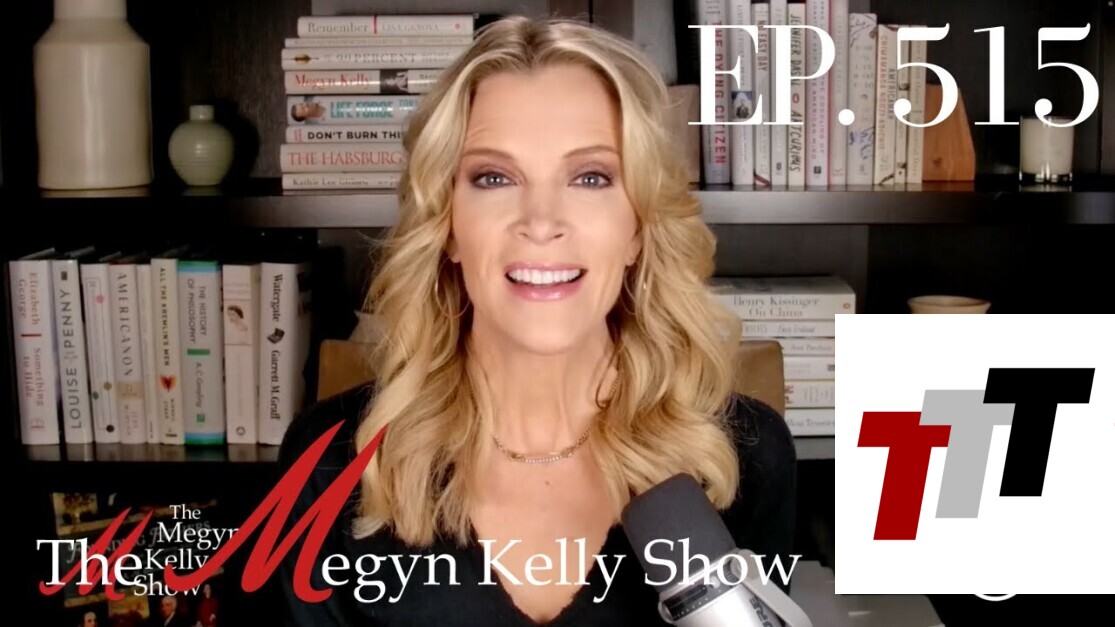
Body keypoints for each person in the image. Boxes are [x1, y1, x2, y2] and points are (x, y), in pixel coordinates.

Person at [277, 15, 797, 627]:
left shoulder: (744, 458)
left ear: (638, 227)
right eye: (494, 177)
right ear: (448, 224)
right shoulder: (329, 462)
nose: (542, 221)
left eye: (591, 177)